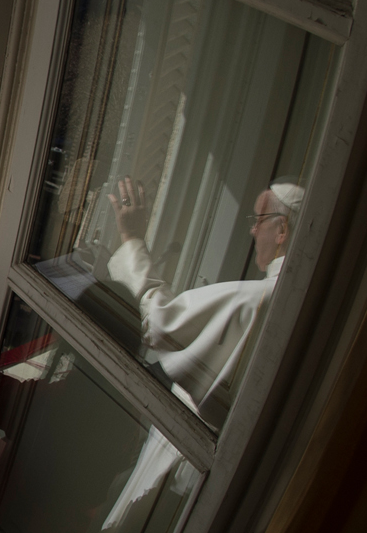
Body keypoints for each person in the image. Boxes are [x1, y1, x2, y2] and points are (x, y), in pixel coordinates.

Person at [105, 177, 302, 428]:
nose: (253, 230)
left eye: (258, 220)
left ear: (282, 229)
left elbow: (161, 324)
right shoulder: (290, 295)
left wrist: (131, 239)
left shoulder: (259, 298)